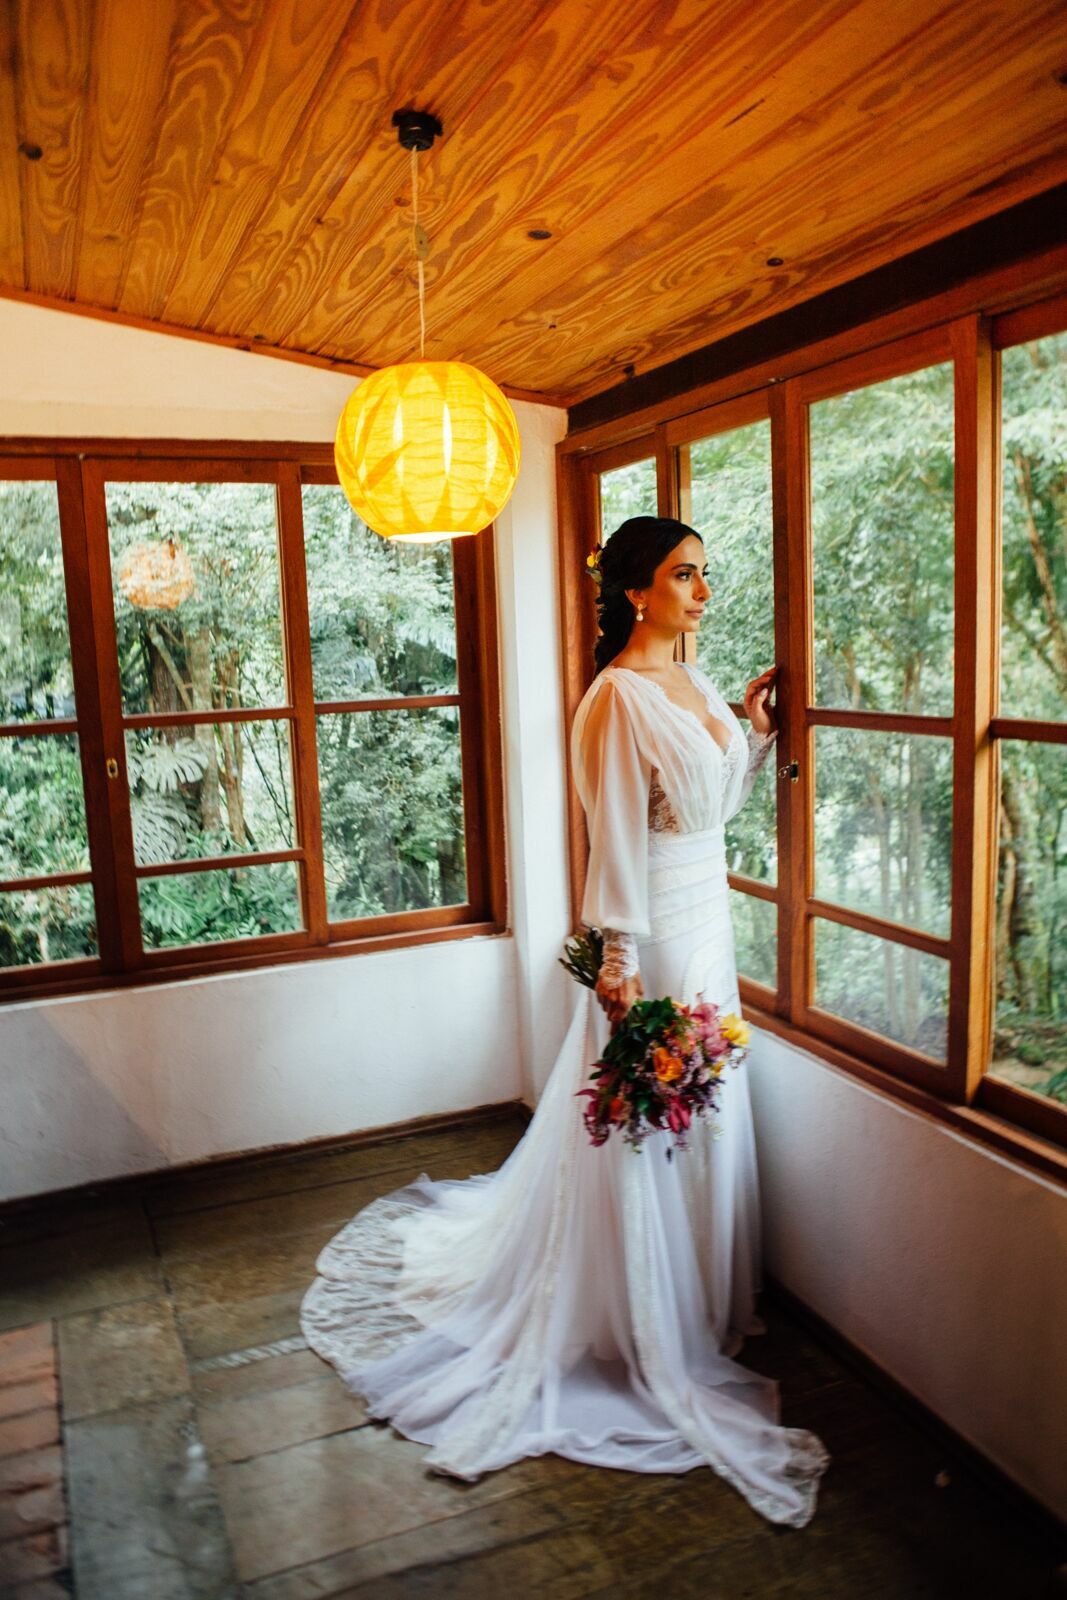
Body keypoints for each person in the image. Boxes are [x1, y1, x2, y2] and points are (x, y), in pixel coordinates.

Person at [300, 515, 831, 1527]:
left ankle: (704, 1303)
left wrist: (754, 730)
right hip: (655, 941)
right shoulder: (611, 699)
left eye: (705, 576)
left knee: (706, 1110)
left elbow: (710, 802)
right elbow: (614, 838)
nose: (702, 593)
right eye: (684, 577)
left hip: (708, 924)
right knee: (650, 1120)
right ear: (635, 590)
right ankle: (639, 1314)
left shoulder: (695, 681)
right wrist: (617, 965)